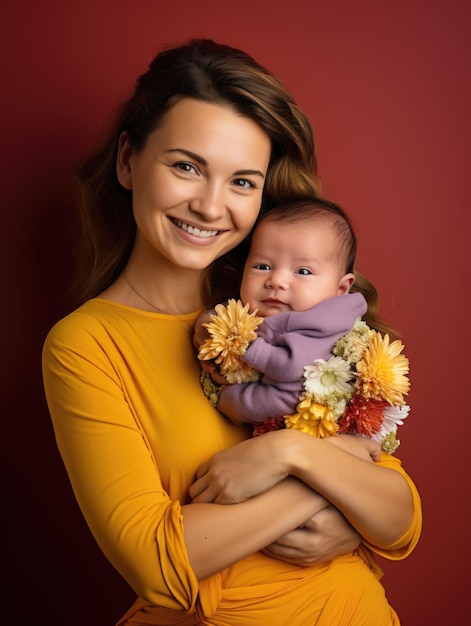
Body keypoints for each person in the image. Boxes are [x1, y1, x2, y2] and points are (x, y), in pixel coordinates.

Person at [42, 38, 422, 625]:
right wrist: (323, 477)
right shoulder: (86, 345)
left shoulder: (280, 306)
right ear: (127, 161)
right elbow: (161, 562)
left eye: (243, 182)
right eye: (186, 167)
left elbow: (401, 518)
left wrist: (289, 451)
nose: (211, 207)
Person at [197, 198, 369, 426]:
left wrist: (230, 398)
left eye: (303, 271)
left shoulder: (322, 325)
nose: (276, 280)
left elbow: (288, 368)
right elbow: (229, 315)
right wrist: (211, 323)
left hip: (301, 415)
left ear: (341, 288)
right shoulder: (268, 309)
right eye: (263, 267)